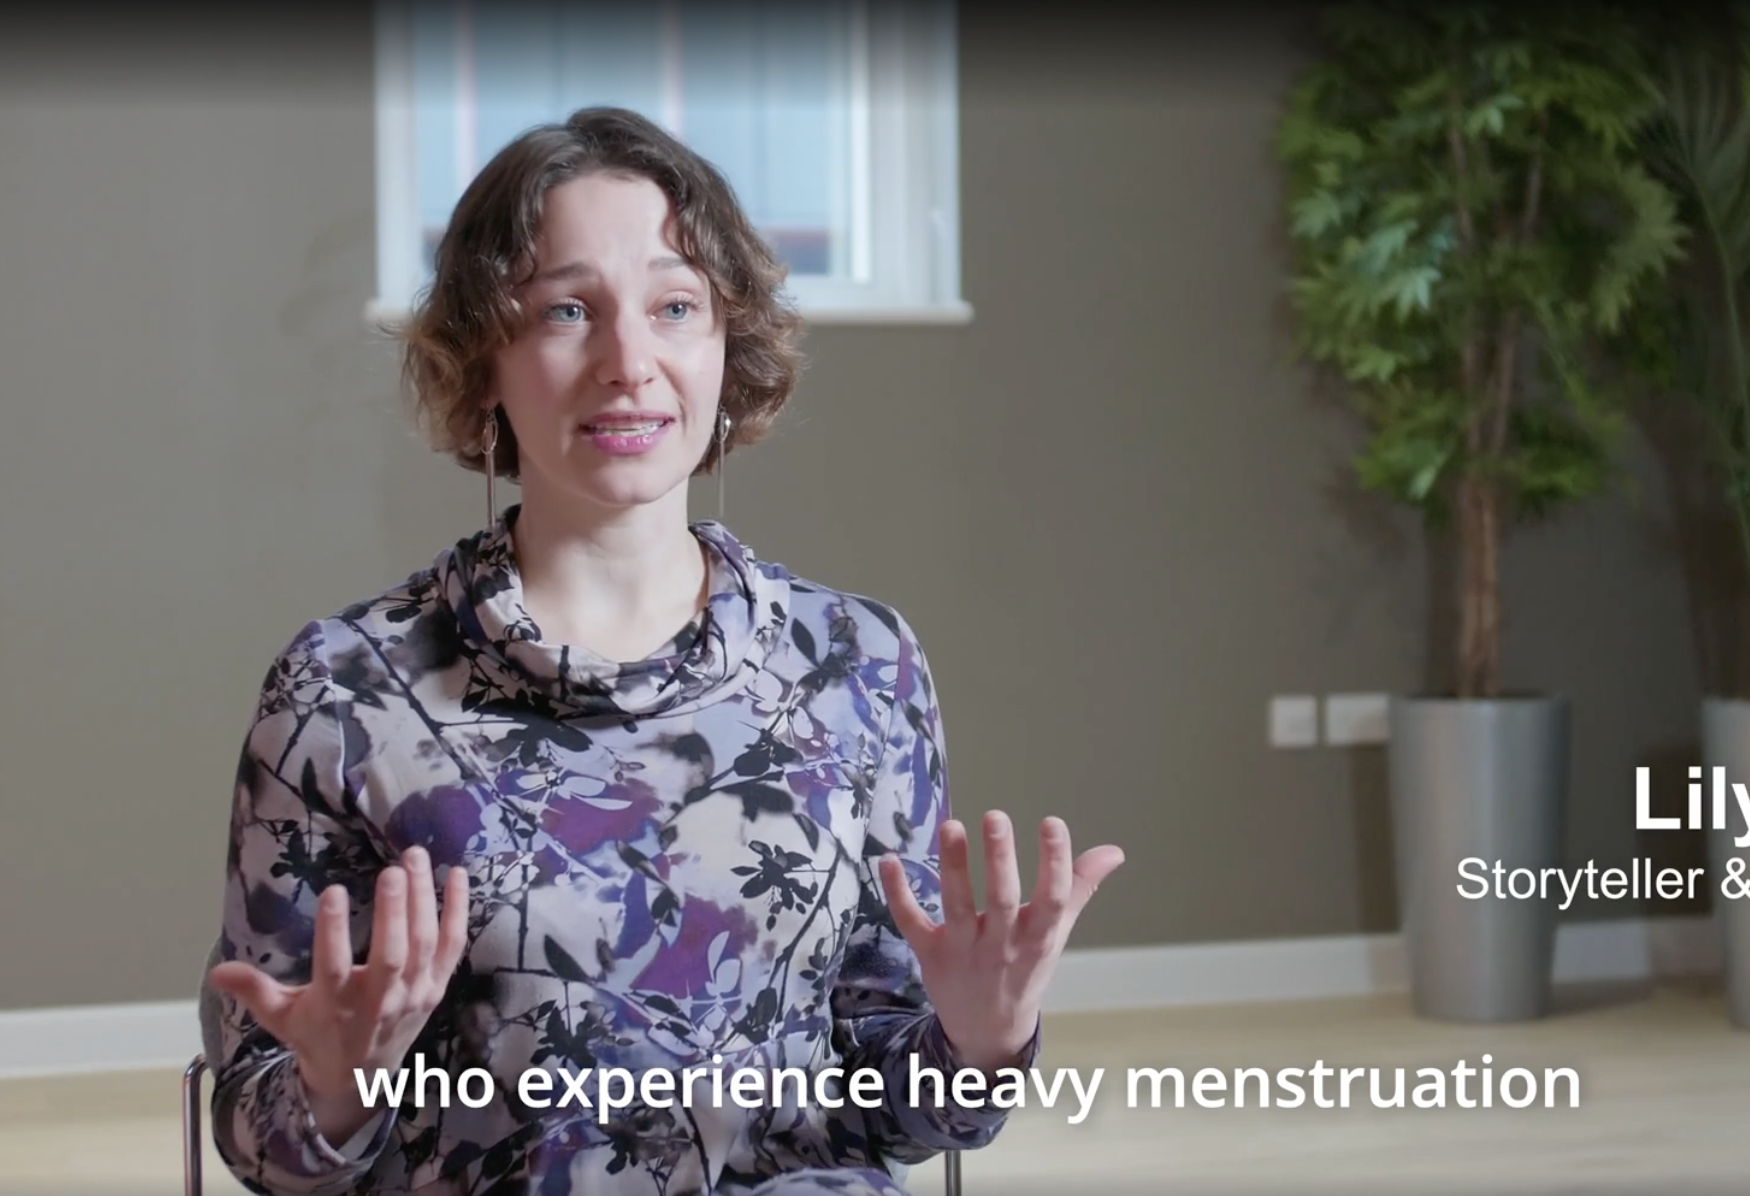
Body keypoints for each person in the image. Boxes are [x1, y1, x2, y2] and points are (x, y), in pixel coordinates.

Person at [201, 106, 1124, 1196]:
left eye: (675, 307)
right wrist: (336, 1084)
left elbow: (900, 1114)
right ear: (483, 359)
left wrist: (980, 1041)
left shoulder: (858, 663)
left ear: (727, 349)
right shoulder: (346, 689)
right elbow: (263, 1140)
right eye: (565, 310)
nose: (628, 362)